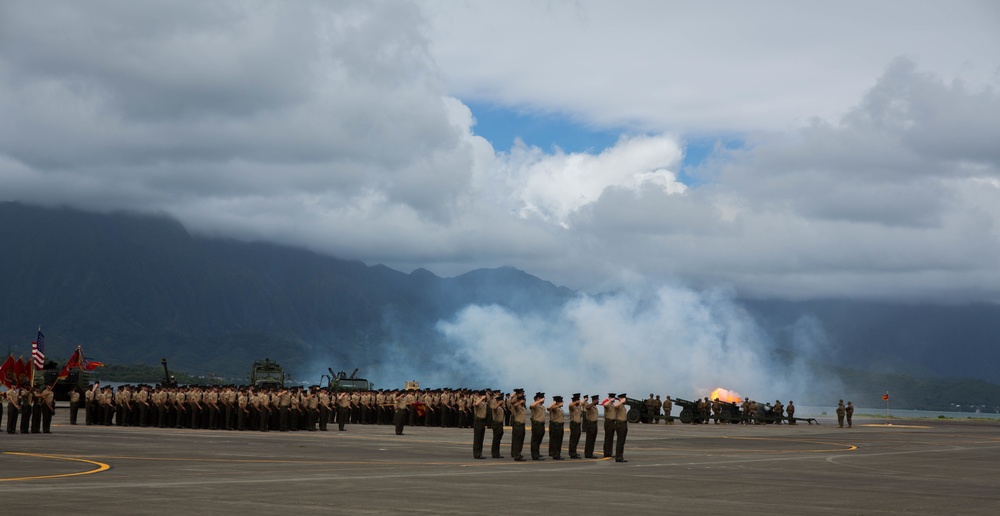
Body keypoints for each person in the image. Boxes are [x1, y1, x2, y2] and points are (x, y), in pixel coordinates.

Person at [509, 390, 527, 461]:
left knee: (520, 440)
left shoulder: (522, 407)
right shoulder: (517, 405)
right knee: (517, 440)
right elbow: (514, 404)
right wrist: (519, 400)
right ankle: (516, 455)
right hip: (518, 424)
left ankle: (517, 453)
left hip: (521, 425)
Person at [529, 392, 546, 460]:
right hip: (537, 425)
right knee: (535, 441)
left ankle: (537, 453)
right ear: (538, 398)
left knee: (539, 440)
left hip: (541, 425)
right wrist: (538, 401)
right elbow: (531, 405)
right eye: (542, 398)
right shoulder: (535, 405)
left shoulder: (542, 406)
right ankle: (535, 455)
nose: (544, 400)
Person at [612, 393, 629, 462]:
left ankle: (620, 456)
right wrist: (621, 401)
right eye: (624, 398)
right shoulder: (618, 404)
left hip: (624, 424)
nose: (625, 399)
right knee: (620, 441)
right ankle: (618, 457)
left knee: (622, 442)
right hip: (620, 424)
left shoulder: (622, 406)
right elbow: (615, 406)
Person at [547, 395, 565, 460]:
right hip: (556, 426)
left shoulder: (560, 409)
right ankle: (555, 454)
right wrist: (555, 403)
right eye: (560, 402)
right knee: (556, 441)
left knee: (559, 440)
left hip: (560, 425)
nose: (562, 403)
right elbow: (549, 408)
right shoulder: (554, 408)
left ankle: (557, 453)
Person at [472, 391, 488, 459]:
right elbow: (476, 404)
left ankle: (480, 453)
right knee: (477, 438)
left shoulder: (484, 403)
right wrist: (481, 398)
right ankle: (476, 454)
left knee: (481, 439)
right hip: (478, 421)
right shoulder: (477, 400)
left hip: (482, 421)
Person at [567, 393, 583, 458]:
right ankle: (572, 453)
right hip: (574, 424)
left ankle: (574, 451)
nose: (579, 401)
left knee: (576, 439)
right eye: (577, 400)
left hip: (578, 424)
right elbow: (570, 405)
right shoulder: (572, 406)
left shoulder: (578, 407)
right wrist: (575, 402)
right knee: (573, 439)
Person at [490, 392, 505, 458]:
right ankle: (494, 453)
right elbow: (494, 408)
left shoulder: (500, 407)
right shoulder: (496, 406)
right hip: (496, 424)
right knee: (496, 439)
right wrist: (498, 403)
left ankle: (497, 453)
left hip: (500, 424)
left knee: (498, 439)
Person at [603, 393, 616, 458]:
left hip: (613, 422)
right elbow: (605, 405)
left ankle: (610, 452)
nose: (613, 399)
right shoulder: (607, 403)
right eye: (612, 397)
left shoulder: (612, 405)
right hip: (608, 422)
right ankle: (606, 453)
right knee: (608, 438)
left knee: (611, 438)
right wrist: (610, 400)